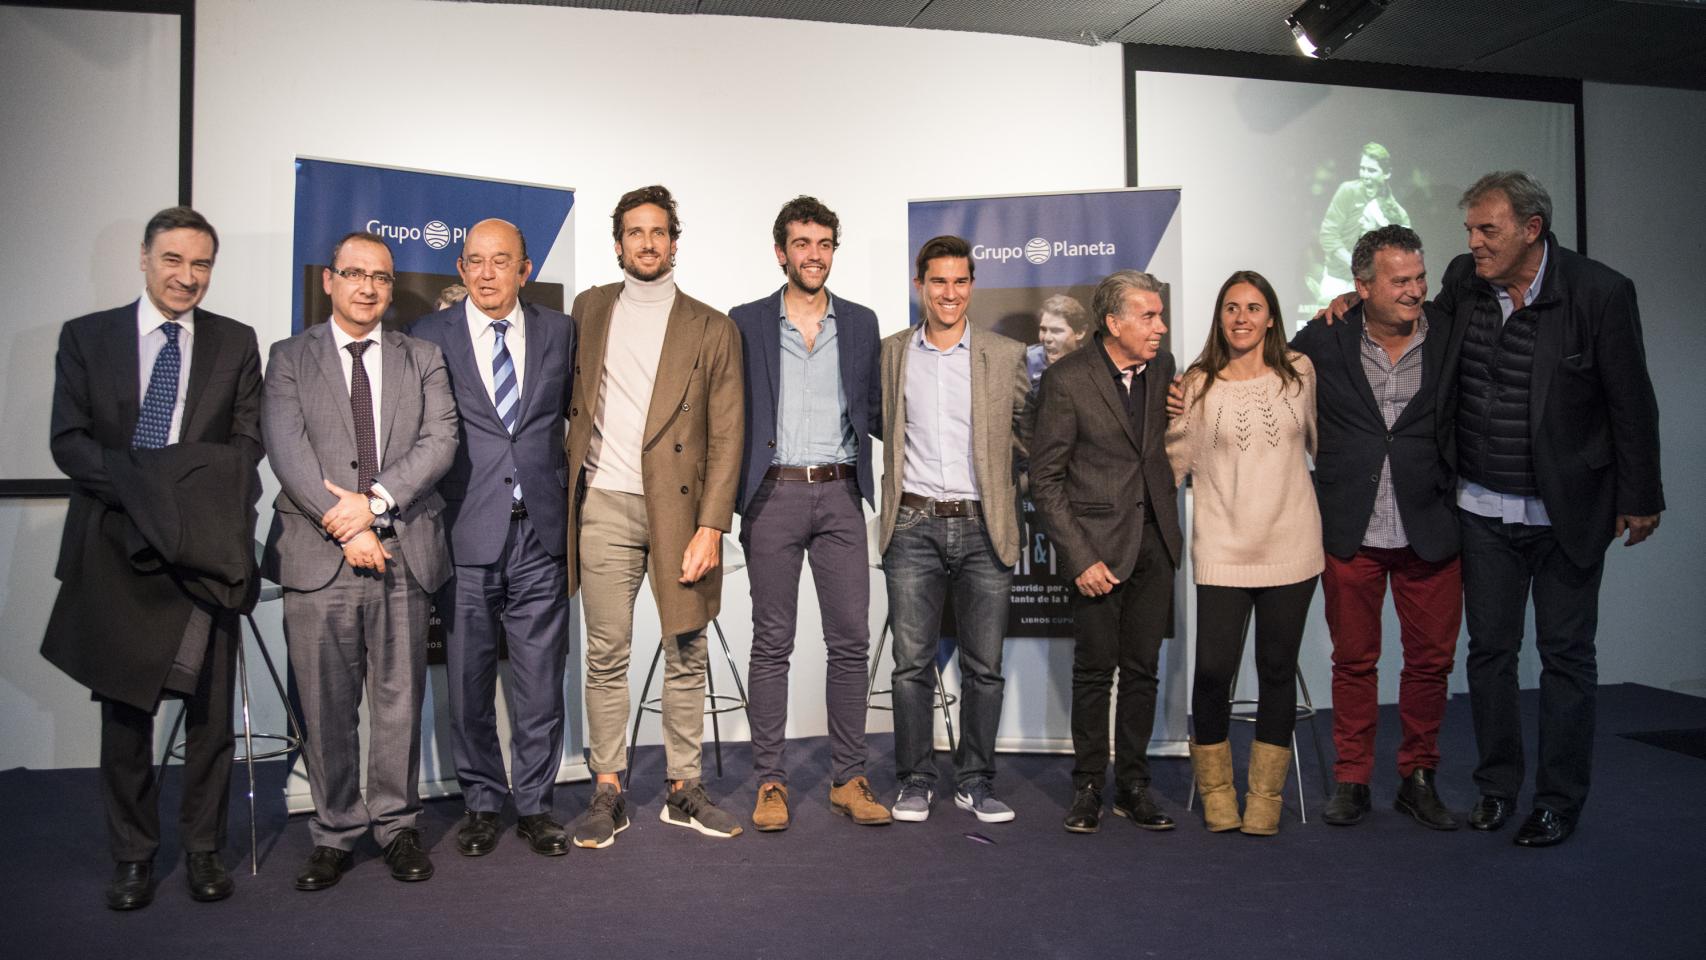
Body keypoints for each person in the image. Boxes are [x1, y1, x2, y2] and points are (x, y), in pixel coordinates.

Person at [42, 206, 263, 911]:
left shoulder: (235, 343)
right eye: (173, 260)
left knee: (210, 717)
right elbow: (70, 444)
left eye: (200, 264)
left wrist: (171, 495)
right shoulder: (88, 337)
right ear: (144, 259)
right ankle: (133, 856)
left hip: (203, 551)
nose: (186, 277)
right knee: (125, 715)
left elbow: (247, 446)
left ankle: (202, 850)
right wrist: (156, 491)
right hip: (115, 546)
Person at [1440, 172, 1663, 846]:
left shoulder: (1599, 292)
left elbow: (1631, 401)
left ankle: (1558, 801)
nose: (1474, 245)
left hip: (1568, 510)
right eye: (1471, 231)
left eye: (1488, 231)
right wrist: (1345, 303)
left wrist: (1641, 496)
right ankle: (1497, 787)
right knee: (1489, 655)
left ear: (1531, 230)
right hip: (1481, 507)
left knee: (1566, 659)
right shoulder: (1463, 280)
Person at [261, 231, 457, 890]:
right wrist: (345, 527)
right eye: (353, 274)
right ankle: (336, 829)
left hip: (404, 547)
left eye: (379, 276)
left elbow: (441, 441)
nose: (367, 287)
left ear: (391, 284)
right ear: (329, 281)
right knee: (327, 704)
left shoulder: (422, 355)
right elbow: (288, 451)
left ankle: (398, 825)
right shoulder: (289, 357)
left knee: (399, 701)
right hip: (319, 556)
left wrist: (373, 506)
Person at [563, 185, 745, 846]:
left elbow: (728, 437)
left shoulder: (712, 326)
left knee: (686, 648)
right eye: (635, 232)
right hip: (604, 501)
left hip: (682, 510)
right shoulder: (588, 309)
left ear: (674, 241)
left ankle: (682, 787)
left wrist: (712, 527)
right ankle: (607, 787)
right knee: (606, 652)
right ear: (618, 243)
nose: (647, 243)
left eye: (659, 232)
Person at [407, 219, 577, 857]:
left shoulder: (561, 332)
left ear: (524, 271)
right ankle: (480, 802)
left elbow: (578, 420)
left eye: (500, 261)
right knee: (469, 683)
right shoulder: (428, 335)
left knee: (540, 683)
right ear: (460, 267)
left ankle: (535, 805)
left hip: (540, 532)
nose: (486, 273)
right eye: (474, 261)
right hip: (465, 533)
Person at [1291, 225, 1462, 830]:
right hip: (1350, 528)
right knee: (1354, 661)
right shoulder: (1324, 336)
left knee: (1430, 663)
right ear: (1362, 287)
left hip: (1432, 527)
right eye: (1400, 281)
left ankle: (1420, 776)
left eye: (1419, 277)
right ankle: (1352, 779)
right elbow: (1260, 377)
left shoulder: (1452, 331)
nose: (1416, 290)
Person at [728, 196, 889, 832]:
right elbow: (727, 412)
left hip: (843, 494)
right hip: (772, 494)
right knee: (772, 643)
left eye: (823, 244)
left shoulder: (861, 321)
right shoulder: (745, 322)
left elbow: (877, 409)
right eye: (802, 244)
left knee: (850, 641)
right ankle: (772, 779)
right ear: (781, 252)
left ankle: (849, 777)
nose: (814, 255)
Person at [878, 235, 1029, 824]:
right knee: (911, 665)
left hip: (982, 524)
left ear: (972, 285)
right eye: (938, 281)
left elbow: (1026, 433)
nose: (949, 292)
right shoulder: (892, 354)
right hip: (912, 523)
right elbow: (877, 422)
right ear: (920, 285)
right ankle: (915, 778)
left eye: (960, 281)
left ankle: (976, 780)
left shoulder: (1004, 354)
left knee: (984, 667)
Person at [1165, 270, 1322, 836]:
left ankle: (1265, 798)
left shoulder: (1298, 374)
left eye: (1254, 307)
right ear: (1220, 316)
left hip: (1292, 548)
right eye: (1232, 307)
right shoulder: (1196, 384)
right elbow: (1172, 464)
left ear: (1272, 317)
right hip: (1224, 550)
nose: (1242, 317)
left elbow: (1323, 444)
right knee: (1212, 673)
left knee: (1276, 670)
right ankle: (1216, 791)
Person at [1027, 270, 1182, 835]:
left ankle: (1134, 785)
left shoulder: (1164, 368)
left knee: (1144, 671)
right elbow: (1045, 479)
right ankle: (1089, 786)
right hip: (1096, 551)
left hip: (1155, 544)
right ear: (1114, 323)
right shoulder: (1067, 380)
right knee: (1095, 673)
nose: (1160, 327)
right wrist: (1079, 557)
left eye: (1160, 315)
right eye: (1149, 316)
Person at [1317, 143, 1410, 305]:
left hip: (1375, 284)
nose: (1365, 175)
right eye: (1363, 169)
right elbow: (1328, 234)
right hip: (1337, 277)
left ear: (1386, 173)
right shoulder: (1347, 191)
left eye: (1372, 170)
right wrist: (1353, 263)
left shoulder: (1398, 213)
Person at [1025, 294, 1091, 392]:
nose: (1046, 338)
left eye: (1056, 331)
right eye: (1043, 329)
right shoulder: (1025, 361)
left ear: (1080, 332)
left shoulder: (1094, 364)